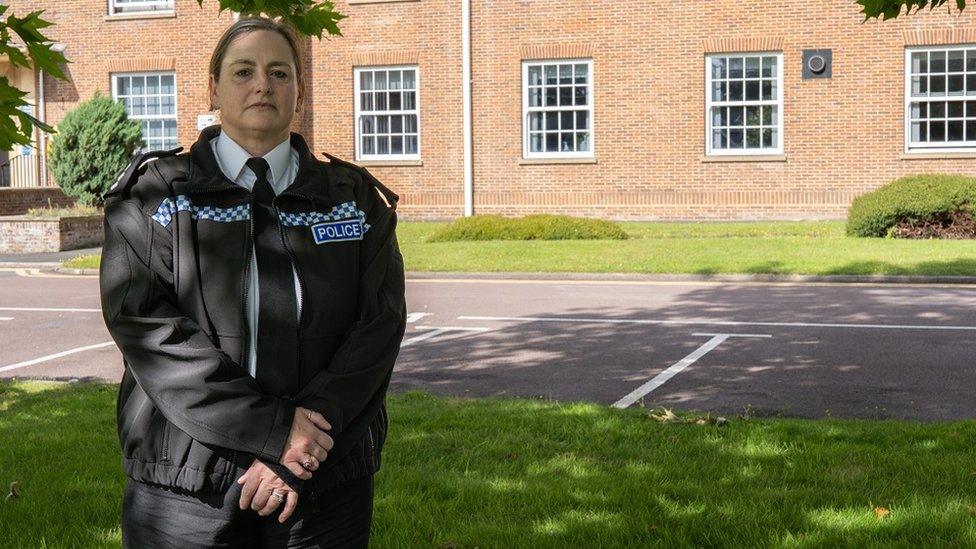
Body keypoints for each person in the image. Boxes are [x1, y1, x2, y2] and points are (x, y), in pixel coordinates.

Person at [99, 15, 406, 548]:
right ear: (213, 88)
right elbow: (149, 330)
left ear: (299, 91)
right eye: (243, 71)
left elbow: (377, 329)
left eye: (279, 72)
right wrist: (275, 431)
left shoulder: (353, 201)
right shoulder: (154, 199)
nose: (262, 84)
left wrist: (304, 446)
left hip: (323, 482)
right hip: (187, 486)